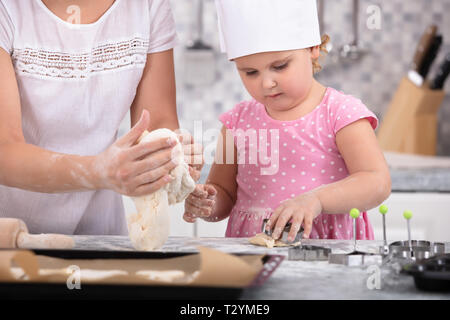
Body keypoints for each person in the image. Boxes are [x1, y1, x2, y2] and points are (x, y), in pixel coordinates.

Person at [183, 0, 391, 241]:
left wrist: (317, 200)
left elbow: (377, 181)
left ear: (313, 48)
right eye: (250, 72)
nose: (266, 83)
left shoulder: (340, 113)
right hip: (252, 255)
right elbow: (224, 194)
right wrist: (207, 202)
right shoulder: (237, 123)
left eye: (280, 66)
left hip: (329, 254)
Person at [0, 0, 203, 235]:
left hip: (101, 234)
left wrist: (170, 155)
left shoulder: (147, 5)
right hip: (10, 238)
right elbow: (5, 150)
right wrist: (99, 172)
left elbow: (156, 125)